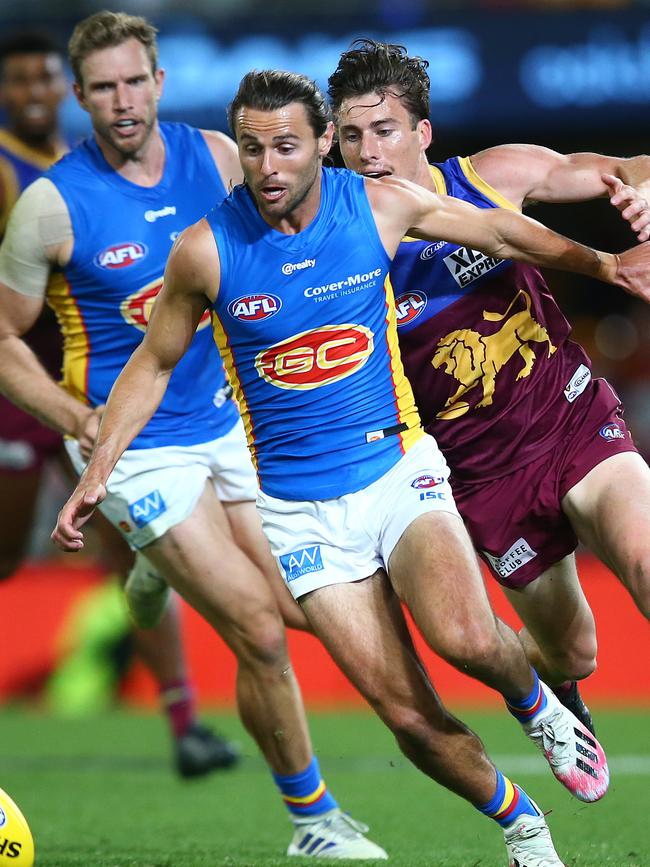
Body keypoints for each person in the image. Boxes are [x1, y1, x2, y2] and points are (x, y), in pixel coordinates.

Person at [53, 70, 650, 866]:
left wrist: (614, 257)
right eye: (255, 148)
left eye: (290, 146)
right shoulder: (215, 248)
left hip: (464, 449)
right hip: (357, 502)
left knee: (491, 627)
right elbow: (160, 362)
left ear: (326, 145)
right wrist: (101, 468)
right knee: (427, 709)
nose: (270, 165)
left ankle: (535, 708)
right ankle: (526, 808)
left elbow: (522, 225)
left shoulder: (418, 195)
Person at [0, 13, 385, 859]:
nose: (122, 100)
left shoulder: (217, 158)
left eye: (135, 81)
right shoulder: (51, 205)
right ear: (80, 96)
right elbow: (3, 339)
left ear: (160, 81)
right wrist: (76, 420)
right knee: (256, 623)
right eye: (103, 87)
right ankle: (313, 820)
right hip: (134, 445)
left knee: (302, 603)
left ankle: (150, 573)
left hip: (231, 423)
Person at [327, 39, 650, 734]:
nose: (368, 151)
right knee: (574, 650)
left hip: (571, 418)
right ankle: (537, 688)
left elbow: (616, 167)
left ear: (423, 133)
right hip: (483, 476)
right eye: (351, 136)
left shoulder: (489, 176)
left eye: (384, 130)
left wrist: (643, 186)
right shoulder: (335, 250)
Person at [0, 30, 238, 778]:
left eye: (44, 79)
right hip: (26, 387)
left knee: (129, 554)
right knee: (6, 556)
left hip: (111, 389)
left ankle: (183, 720)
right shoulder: (20, 181)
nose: (35, 93)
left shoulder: (103, 167)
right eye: (21, 83)